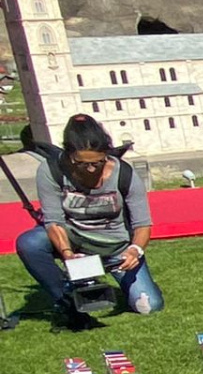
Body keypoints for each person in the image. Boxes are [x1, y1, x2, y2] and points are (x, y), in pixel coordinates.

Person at [14, 113, 164, 328]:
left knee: (149, 306)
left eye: (98, 162)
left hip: (116, 248)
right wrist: (67, 254)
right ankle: (66, 300)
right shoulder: (51, 170)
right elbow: (53, 220)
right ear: (68, 154)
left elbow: (142, 224)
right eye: (82, 164)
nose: (92, 169)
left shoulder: (125, 174)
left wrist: (134, 251)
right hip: (73, 239)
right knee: (29, 243)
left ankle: (129, 284)